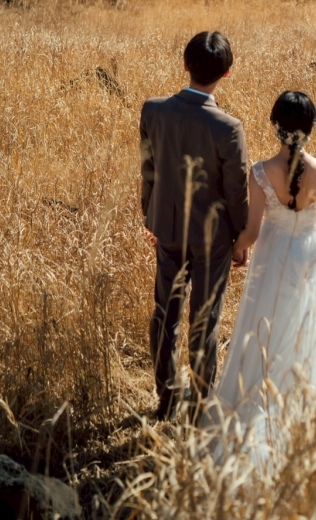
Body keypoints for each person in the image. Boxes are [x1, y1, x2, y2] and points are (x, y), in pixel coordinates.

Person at [206, 90, 316, 460]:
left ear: (275, 126)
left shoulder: (260, 173)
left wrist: (234, 247)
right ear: (312, 128)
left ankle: (260, 405)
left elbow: (253, 232)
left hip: (272, 260)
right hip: (312, 258)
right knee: (310, 334)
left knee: (266, 331)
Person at [140, 31, 249, 420]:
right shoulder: (229, 127)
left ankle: (166, 398)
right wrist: (241, 237)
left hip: (166, 229)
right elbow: (236, 190)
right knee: (205, 319)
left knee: (163, 315)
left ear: (185, 64)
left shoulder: (153, 111)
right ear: (228, 72)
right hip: (214, 238)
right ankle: (200, 405)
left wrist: (148, 215)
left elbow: (148, 170)